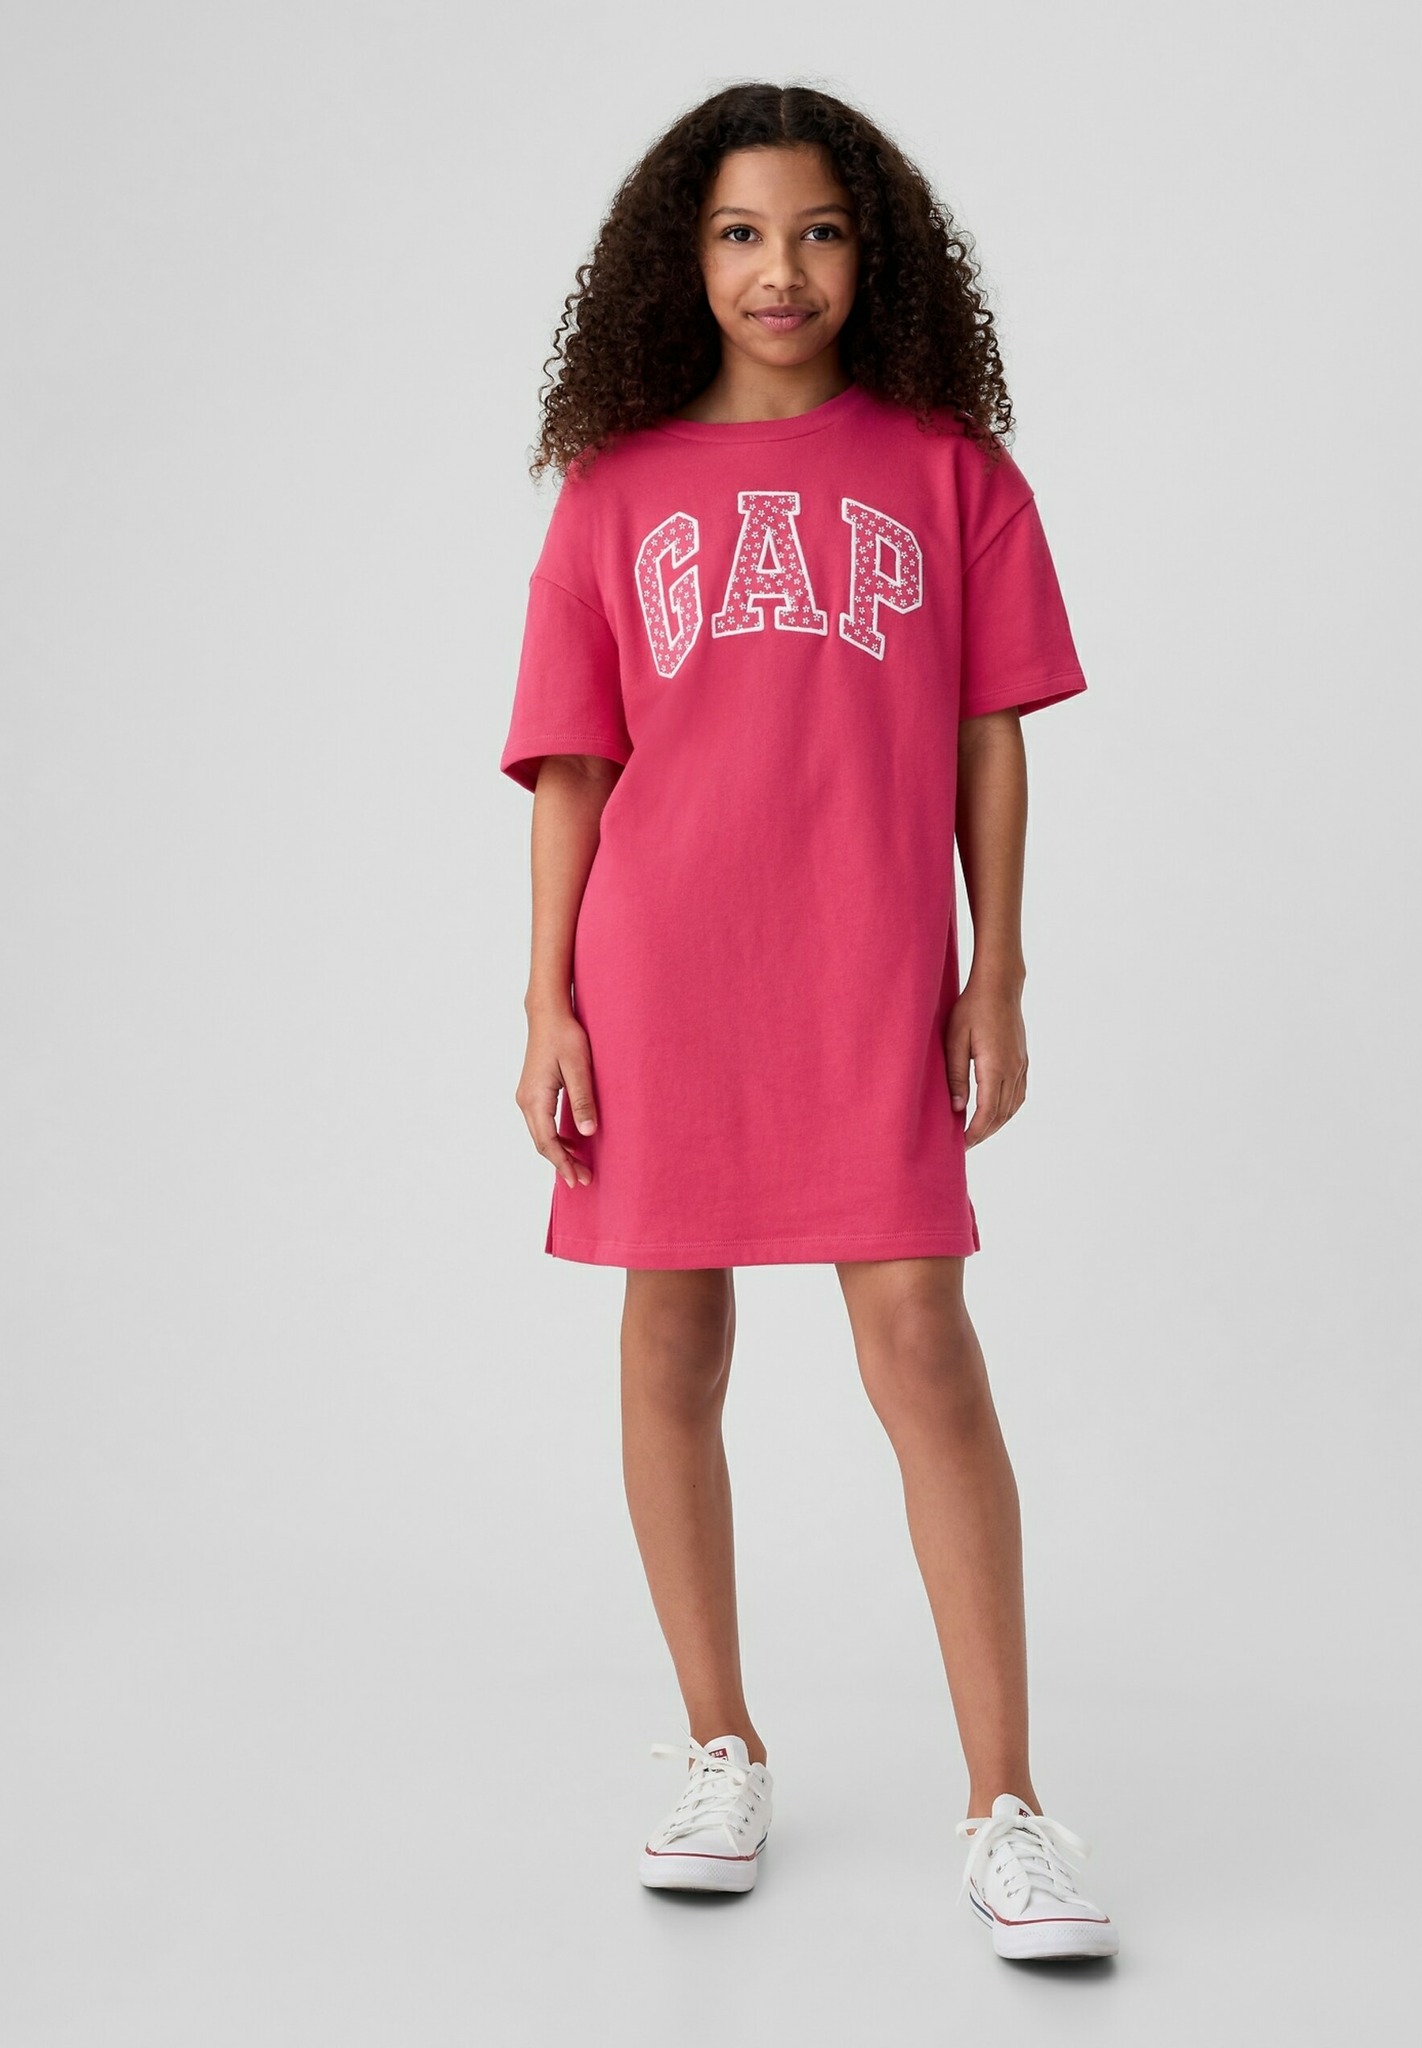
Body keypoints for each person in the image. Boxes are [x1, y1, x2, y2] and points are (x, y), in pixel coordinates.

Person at [499, 81, 1119, 1965]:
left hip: (867, 963)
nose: (783, 270)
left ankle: (1006, 1800)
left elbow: (989, 737)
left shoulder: (951, 473)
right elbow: (574, 768)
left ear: (877, 253)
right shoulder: (613, 491)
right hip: (661, 968)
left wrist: (996, 968)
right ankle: (721, 1746)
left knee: (919, 1334)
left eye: (821, 231)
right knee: (670, 1329)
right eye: (742, 234)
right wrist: (545, 998)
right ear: (680, 261)